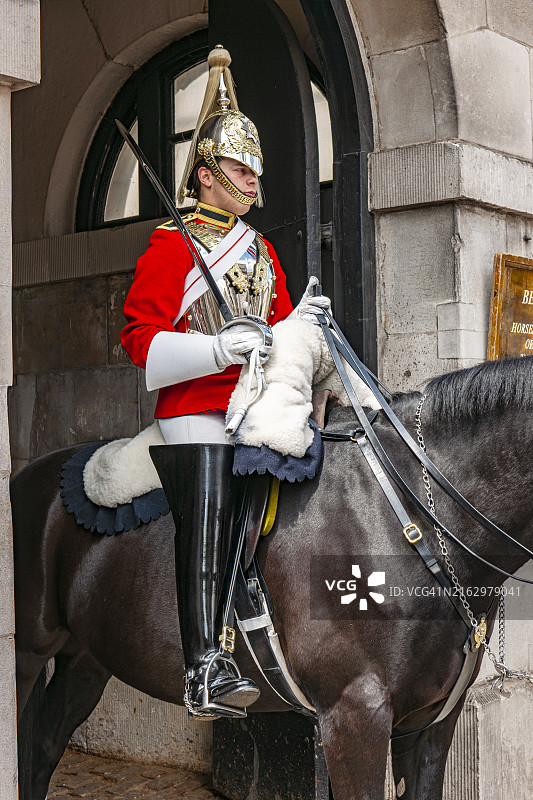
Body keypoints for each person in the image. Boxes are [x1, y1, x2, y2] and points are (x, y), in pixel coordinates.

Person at [121, 45, 330, 719]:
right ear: (206, 176)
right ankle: (202, 665)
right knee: (211, 493)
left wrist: (306, 330)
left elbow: (280, 331)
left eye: (254, 169)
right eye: (239, 168)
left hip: (253, 406)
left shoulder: (261, 251)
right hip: (195, 407)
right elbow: (140, 340)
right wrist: (215, 347)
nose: (251, 179)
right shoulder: (171, 242)